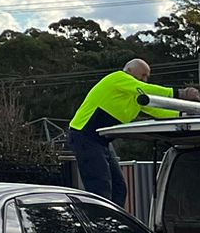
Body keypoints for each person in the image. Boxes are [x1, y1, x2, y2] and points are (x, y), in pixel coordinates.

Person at [67, 58, 180, 209]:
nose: (145, 79)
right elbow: (143, 87)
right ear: (130, 71)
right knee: (100, 186)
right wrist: (179, 93)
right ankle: (100, 223)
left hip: (102, 140)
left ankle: (116, 220)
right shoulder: (118, 78)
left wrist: (183, 114)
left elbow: (158, 110)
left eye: (147, 77)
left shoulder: (133, 97)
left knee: (119, 187)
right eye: (143, 75)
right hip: (84, 135)